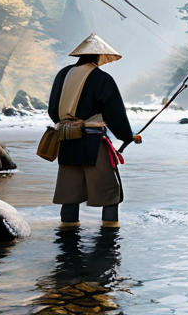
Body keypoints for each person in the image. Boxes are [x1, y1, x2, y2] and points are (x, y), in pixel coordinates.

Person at [48, 33, 141, 229]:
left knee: (69, 194)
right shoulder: (102, 78)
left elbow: (53, 111)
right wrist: (128, 136)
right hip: (93, 143)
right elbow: (114, 113)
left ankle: (68, 234)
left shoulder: (63, 74)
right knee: (109, 192)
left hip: (66, 140)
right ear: (99, 56)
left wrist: (69, 124)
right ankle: (110, 235)